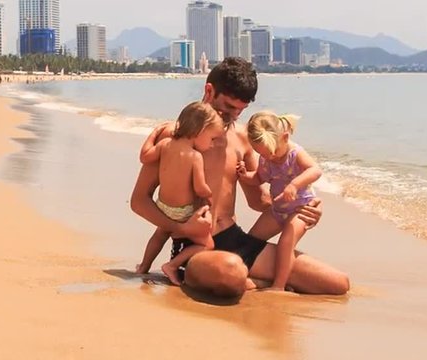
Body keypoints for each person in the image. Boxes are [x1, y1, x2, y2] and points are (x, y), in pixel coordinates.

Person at [130, 57, 349, 297]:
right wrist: (180, 226)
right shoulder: (175, 138)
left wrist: (301, 210)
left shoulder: (243, 138)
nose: (233, 116)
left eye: (240, 110)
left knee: (336, 283)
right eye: (228, 107)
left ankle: (255, 281)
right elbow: (139, 201)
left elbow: (258, 201)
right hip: (195, 246)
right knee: (232, 272)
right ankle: (250, 281)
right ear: (209, 91)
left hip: (236, 239)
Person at [138, 101, 225, 285]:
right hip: (182, 212)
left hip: (162, 207)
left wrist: (154, 133)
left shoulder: (165, 144)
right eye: (211, 139)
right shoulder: (195, 157)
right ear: (199, 131)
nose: (211, 145)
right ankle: (172, 265)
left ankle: (144, 266)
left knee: (160, 234)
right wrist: (210, 195)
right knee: (206, 244)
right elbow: (200, 187)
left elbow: (144, 157)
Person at [237, 111, 322, 291]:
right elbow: (259, 178)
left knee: (286, 243)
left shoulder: (295, 153)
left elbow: (315, 170)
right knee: (250, 240)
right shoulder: (266, 158)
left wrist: (294, 184)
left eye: (273, 152)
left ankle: (279, 286)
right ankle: (254, 275)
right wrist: (245, 176)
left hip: (301, 209)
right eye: (263, 154)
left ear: (284, 137)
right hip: (277, 210)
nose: (271, 157)